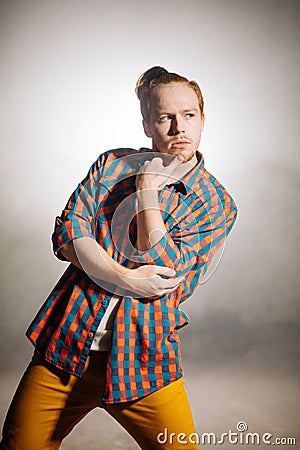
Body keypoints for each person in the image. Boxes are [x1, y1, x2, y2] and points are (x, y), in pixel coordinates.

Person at [0, 66, 238, 450]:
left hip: (142, 360)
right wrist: (126, 280)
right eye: (165, 117)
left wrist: (146, 192)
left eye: (189, 115)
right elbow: (67, 235)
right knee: (19, 445)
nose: (179, 128)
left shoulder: (216, 204)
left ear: (203, 119)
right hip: (66, 346)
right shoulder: (112, 165)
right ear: (147, 124)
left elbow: (164, 270)